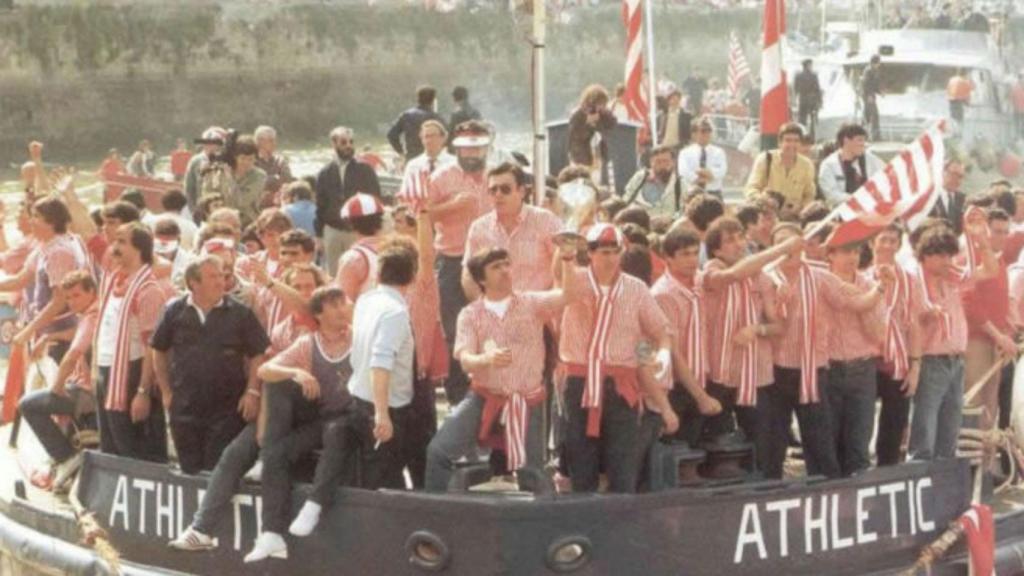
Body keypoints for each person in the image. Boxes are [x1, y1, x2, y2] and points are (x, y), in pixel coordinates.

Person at [287, 238, 419, 536]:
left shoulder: (366, 301)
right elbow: (380, 363)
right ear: (411, 276)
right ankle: (374, 544)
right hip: (385, 408)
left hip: (357, 401)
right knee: (378, 483)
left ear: (378, 273)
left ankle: (316, 505)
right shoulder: (395, 313)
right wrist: (383, 415)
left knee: (360, 464)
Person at [425, 245, 576, 491]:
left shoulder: (531, 302)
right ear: (481, 279)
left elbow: (568, 295)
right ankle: (439, 514)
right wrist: (486, 359)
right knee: (438, 451)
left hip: (527, 400)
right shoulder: (470, 314)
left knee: (532, 474)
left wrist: (568, 258)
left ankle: (538, 524)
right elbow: (464, 359)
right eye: (496, 267)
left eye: (507, 264)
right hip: (484, 397)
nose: (505, 270)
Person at [243, 287, 356, 561]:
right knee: (276, 453)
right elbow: (264, 370)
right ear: (318, 314)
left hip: (355, 418)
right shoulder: (309, 343)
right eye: (335, 305)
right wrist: (296, 371)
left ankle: (315, 503)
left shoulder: (358, 336)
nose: (343, 309)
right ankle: (271, 533)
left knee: (337, 431)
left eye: (344, 303)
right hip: (325, 417)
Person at [559, 223, 672, 493]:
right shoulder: (577, 280)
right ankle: (584, 519)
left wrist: (664, 354)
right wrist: (565, 256)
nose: (609, 258)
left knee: (623, 461)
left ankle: (620, 521)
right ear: (591, 253)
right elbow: (564, 288)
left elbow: (659, 330)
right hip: (579, 381)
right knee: (580, 456)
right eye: (603, 252)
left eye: (614, 252)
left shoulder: (636, 288)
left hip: (621, 384)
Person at [151, 254, 269, 474]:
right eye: (212, 276)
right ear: (193, 283)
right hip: (184, 406)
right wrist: (166, 392)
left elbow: (258, 353)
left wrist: (252, 391)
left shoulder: (240, 313)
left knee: (217, 469)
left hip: (227, 408)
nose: (220, 282)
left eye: (222, 276)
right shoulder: (174, 311)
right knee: (190, 469)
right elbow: (158, 350)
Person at [701, 217, 797, 442]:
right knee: (718, 444)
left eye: (741, 237)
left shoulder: (761, 277)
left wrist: (757, 329)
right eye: (729, 240)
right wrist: (781, 249)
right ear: (716, 251)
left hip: (755, 373)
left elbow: (779, 326)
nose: (738, 244)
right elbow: (733, 275)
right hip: (718, 373)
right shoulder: (709, 273)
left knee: (760, 440)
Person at [908, 216, 996, 460]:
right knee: (925, 426)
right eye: (940, 255)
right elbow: (910, 323)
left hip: (955, 360)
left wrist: (982, 241)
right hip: (930, 359)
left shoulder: (954, 277)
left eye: (949, 255)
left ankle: (943, 482)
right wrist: (928, 316)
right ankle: (920, 477)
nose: (947, 261)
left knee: (950, 426)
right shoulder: (914, 281)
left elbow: (990, 270)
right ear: (925, 255)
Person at [425, 121, 493, 405]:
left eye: (476, 147)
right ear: (456, 149)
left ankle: (492, 391)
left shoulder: (497, 176)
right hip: (453, 259)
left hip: (491, 260)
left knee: (493, 325)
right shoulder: (441, 177)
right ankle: (458, 399)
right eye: (466, 148)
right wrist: (452, 206)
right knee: (454, 330)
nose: (471, 153)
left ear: (486, 147)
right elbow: (424, 215)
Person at [18, 271, 98, 490]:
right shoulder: (89, 313)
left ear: (92, 291)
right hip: (85, 385)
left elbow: (73, 354)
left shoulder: (93, 315)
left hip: (88, 393)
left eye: (76, 296)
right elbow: (77, 332)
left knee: (28, 404)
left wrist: (57, 387)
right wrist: (49, 336)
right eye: (68, 298)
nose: (72, 302)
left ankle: (65, 457)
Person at [94, 223, 168, 462]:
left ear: (139, 249)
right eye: (115, 241)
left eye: (122, 242)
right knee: (110, 443)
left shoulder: (147, 290)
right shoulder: (113, 279)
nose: (114, 247)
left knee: (132, 448)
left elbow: (153, 348)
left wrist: (143, 392)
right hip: (107, 370)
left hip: (132, 374)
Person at [651, 227, 722, 448]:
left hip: (703, 376)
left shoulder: (700, 283)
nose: (692, 260)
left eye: (694, 253)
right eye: (684, 254)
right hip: (676, 385)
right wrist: (700, 396)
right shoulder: (663, 293)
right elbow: (672, 351)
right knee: (676, 452)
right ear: (668, 258)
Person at [823, 240, 889, 477]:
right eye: (845, 251)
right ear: (830, 255)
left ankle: (859, 498)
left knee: (859, 440)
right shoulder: (821, 282)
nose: (852, 257)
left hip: (862, 367)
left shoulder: (870, 285)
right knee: (829, 440)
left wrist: (863, 303)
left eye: (856, 252)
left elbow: (879, 334)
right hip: (829, 368)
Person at [0, 197, 90, 364]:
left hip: (61, 331)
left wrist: (29, 330)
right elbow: (20, 280)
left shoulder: (59, 252)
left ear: (51, 222)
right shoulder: (48, 245)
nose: (30, 221)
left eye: (35, 216)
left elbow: (60, 300)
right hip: (49, 329)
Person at [461, 162, 563, 299]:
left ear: (521, 191)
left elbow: (563, 268)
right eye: (493, 190)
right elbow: (469, 274)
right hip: (496, 313)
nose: (498, 194)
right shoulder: (479, 228)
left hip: (539, 312)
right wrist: (483, 307)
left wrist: (551, 306)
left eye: (505, 189)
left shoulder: (546, 221)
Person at [868, 223, 919, 466]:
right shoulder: (862, 277)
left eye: (893, 240)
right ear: (872, 243)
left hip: (897, 361)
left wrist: (915, 366)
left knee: (894, 424)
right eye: (883, 239)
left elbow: (914, 325)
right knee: (861, 423)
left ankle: (886, 470)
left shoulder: (909, 280)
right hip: (866, 361)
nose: (888, 245)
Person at [961, 208, 1016, 433]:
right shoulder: (971, 260)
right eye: (996, 231)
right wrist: (998, 335)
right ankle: (968, 466)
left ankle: (985, 464)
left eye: (1005, 232)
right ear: (985, 231)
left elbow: (997, 302)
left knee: (990, 408)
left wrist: (1007, 330)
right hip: (976, 341)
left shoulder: (1000, 262)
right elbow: (969, 303)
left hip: (996, 342)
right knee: (973, 404)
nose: (1001, 237)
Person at [315, 126, 381, 277]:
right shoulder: (324, 172)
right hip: (332, 230)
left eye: (351, 142)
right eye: (343, 142)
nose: (348, 146)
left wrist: (375, 229)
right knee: (333, 275)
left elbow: (375, 199)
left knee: (359, 273)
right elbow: (320, 205)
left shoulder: (365, 169)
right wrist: (318, 235)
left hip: (358, 230)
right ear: (334, 144)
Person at [744, 122, 817, 214]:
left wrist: (800, 207)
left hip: (793, 217)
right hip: (767, 214)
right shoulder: (765, 159)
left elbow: (809, 195)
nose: (792, 144)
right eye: (788, 140)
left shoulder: (807, 165)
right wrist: (765, 202)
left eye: (796, 141)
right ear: (779, 143)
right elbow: (751, 188)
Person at [818, 123, 884, 207]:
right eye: (859, 140)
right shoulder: (829, 165)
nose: (863, 144)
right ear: (846, 140)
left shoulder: (871, 159)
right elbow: (831, 195)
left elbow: (886, 176)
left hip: (871, 210)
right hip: (842, 213)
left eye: (864, 140)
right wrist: (857, 199)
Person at [335, 193, 386, 302]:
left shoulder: (353, 258)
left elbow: (344, 301)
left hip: (365, 317)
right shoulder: (398, 250)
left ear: (350, 224)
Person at [567, 85, 618, 184]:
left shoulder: (604, 113)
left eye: (603, 104)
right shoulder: (577, 115)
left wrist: (598, 122)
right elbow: (574, 138)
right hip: (582, 156)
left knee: (599, 180)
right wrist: (588, 124)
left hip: (600, 154)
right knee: (584, 181)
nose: (602, 107)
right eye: (600, 104)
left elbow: (612, 126)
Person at [399, 120, 456, 205]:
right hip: (419, 214)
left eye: (433, 136)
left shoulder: (455, 164)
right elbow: (404, 195)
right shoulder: (413, 165)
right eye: (425, 136)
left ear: (443, 138)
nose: (428, 140)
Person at [620, 145, 685, 218]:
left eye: (665, 161)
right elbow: (625, 202)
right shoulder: (640, 178)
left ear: (673, 163)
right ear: (651, 163)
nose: (662, 166)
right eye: (658, 162)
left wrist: (671, 220)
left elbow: (684, 211)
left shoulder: (681, 185)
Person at [220, 135, 268, 227]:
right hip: (222, 221)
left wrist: (230, 179)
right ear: (235, 157)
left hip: (247, 222)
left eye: (250, 159)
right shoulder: (222, 172)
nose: (246, 162)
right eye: (242, 158)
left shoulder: (259, 176)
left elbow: (242, 201)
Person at [387, 85, 443, 160]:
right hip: (431, 158)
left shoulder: (406, 115)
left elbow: (391, 135)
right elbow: (447, 137)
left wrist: (401, 152)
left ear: (418, 99)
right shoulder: (436, 118)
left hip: (411, 157)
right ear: (433, 100)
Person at [677, 116, 727, 198]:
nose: (707, 134)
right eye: (703, 131)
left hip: (714, 193)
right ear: (694, 134)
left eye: (709, 130)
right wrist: (698, 179)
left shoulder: (719, 152)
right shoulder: (685, 153)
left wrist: (708, 174)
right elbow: (684, 171)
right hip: (693, 194)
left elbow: (722, 171)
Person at [184, 126, 227, 208]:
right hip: (201, 207)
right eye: (207, 143)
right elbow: (189, 189)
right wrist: (193, 209)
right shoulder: (196, 161)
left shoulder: (227, 161)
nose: (211, 147)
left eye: (214, 143)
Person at [254, 125, 294, 206]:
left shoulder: (280, 161)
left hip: (279, 204)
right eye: (271, 141)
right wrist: (273, 178)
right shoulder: (251, 161)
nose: (274, 143)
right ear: (260, 141)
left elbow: (287, 179)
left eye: (274, 140)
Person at [929, 159, 968, 236]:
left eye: (960, 176)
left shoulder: (964, 200)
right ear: (942, 172)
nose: (956, 179)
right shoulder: (930, 197)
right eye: (953, 174)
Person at [794, 60, 823, 137]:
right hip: (812, 99)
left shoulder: (798, 75)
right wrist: (820, 101)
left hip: (802, 99)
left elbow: (795, 89)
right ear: (808, 65)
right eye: (810, 65)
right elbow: (817, 89)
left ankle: (801, 134)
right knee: (812, 118)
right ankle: (812, 135)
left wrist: (795, 99)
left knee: (802, 118)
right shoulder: (813, 75)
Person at [860, 55, 883, 140]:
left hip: (871, 95)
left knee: (867, 116)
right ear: (875, 62)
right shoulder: (868, 71)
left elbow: (874, 85)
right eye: (878, 63)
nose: (879, 64)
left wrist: (880, 92)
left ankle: (861, 134)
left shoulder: (874, 71)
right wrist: (869, 95)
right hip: (868, 96)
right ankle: (876, 136)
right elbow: (867, 84)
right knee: (874, 115)